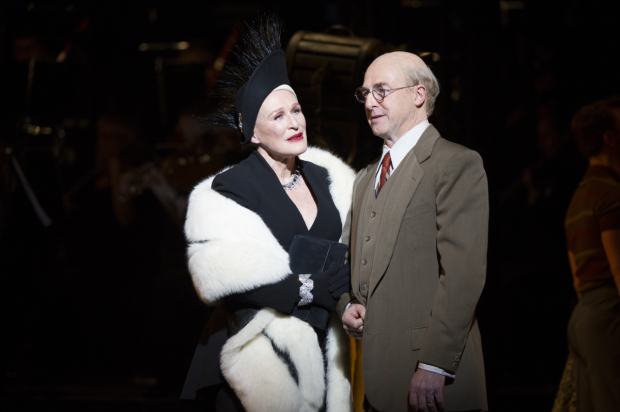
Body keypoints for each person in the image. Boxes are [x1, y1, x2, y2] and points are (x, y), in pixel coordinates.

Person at [181, 18, 355, 412]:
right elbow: (226, 275)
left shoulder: (330, 178)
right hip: (257, 362)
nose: (295, 122)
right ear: (253, 133)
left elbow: (350, 251)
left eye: (296, 109)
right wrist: (312, 289)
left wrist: (342, 289)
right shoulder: (232, 188)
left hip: (324, 357)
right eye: (278, 116)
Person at [337, 52, 489, 412]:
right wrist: (346, 305)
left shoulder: (454, 164)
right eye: (365, 93)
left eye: (381, 90)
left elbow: (463, 274)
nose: (370, 101)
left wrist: (434, 363)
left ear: (418, 95)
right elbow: (347, 258)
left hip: (433, 381)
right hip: (377, 380)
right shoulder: (364, 179)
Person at [563, 96, 620, 412]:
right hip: (607, 317)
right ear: (610, 139)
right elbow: (618, 268)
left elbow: (577, 277)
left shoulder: (578, 199)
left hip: (583, 319)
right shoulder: (610, 194)